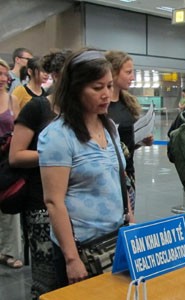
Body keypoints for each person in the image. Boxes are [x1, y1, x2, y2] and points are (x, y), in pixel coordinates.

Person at [38, 49, 134, 287]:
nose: (106, 94)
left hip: (116, 241)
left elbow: (119, 178)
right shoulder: (58, 136)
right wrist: (71, 259)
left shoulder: (109, 126)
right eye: (97, 87)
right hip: (82, 248)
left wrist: (130, 222)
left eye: (109, 86)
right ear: (76, 88)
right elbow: (54, 202)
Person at [8, 50, 69, 298]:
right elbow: (16, 155)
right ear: (55, 76)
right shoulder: (37, 108)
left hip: (71, 204)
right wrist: (59, 158)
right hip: (40, 202)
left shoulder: (80, 111)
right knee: (46, 276)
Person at [105, 50, 154, 212]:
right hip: (108, 175)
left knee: (128, 218)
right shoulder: (101, 107)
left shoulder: (128, 103)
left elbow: (127, 143)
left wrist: (140, 141)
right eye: (128, 72)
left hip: (128, 171)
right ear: (113, 72)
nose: (132, 77)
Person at [0, 58, 24, 270]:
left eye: (4, 74)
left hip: (5, 158)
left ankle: (10, 251)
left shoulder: (11, 100)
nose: (1, 78)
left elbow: (18, 127)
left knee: (9, 204)